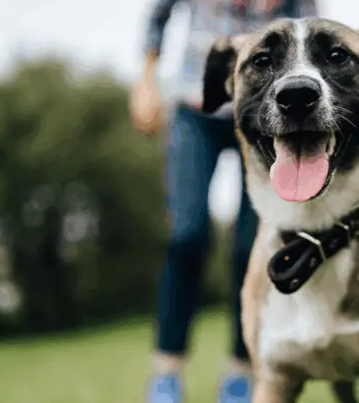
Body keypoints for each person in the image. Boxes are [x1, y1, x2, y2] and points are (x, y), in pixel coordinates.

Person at [128, 1, 321, 402]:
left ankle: (240, 372)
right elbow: (159, 16)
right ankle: (166, 373)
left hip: (265, 112)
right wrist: (146, 80)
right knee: (186, 236)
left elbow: (314, 33)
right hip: (194, 106)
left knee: (251, 249)